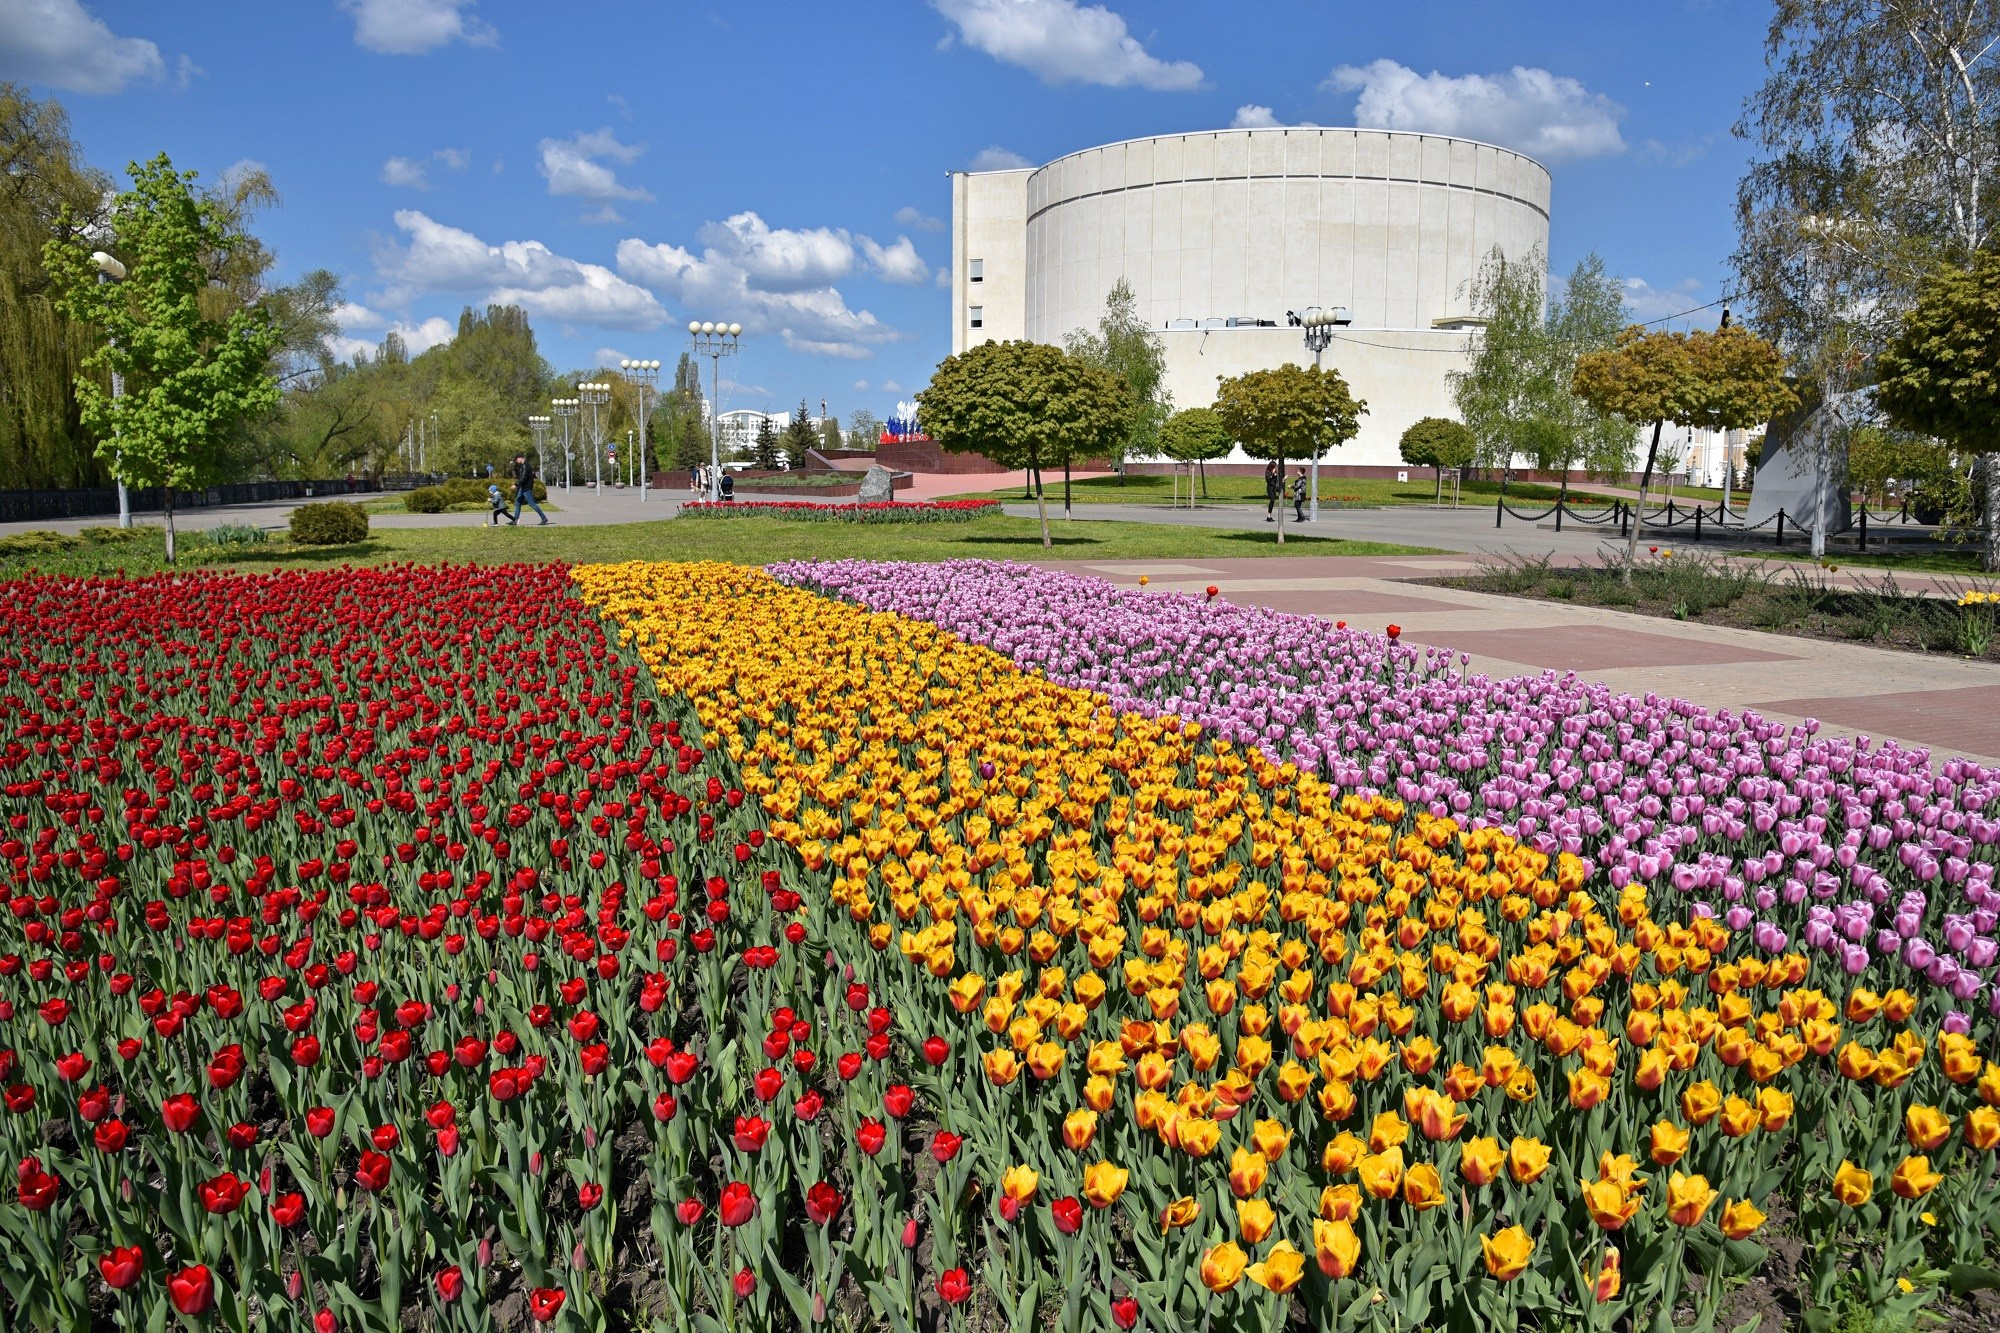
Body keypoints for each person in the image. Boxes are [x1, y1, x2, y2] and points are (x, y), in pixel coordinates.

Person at [510, 453, 549, 525]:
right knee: (518, 502)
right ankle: (515, 520)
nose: (516, 462)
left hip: (526, 488)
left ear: (520, 458)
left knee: (532, 504)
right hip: (523, 487)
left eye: (516, 460)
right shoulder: (523, 465)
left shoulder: (525, 465)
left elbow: (523, 478)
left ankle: (544, 518)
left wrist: (516, 485)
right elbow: (522, 477)